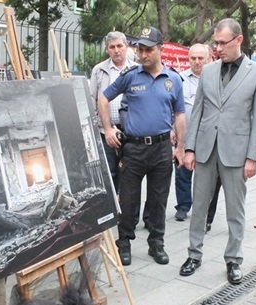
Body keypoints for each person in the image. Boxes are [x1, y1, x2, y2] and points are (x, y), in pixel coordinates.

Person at [179, 18, 256, 285]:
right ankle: (194, 255)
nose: (217, 48)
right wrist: (190, 148)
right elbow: (197, 112)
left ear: (238, 40)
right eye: (215, 43)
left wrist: (252, 157)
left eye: (222, 42)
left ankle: (233, 260)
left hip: (236, 153)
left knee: (235, 210)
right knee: (198, 208)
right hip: (206, 150)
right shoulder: (208, 71)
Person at [98, 26, 185, 266]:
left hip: (160, 149)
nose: (143, 54)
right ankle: (123, 243)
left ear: (161, 49)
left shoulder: (173, 79)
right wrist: (107, 128)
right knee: (128, 200)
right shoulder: (130, 76)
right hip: (133, 149)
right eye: (140, 49)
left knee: (158, 200)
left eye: (149, 49)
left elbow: (179, 115)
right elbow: (103, 98)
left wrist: (180, 147)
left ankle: (156, 244)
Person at [90, 31, 136, 194]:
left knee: (130, 174)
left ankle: (129, 213)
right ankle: (113, 212)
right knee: (110, 172)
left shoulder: (136, 69)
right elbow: (93, 99)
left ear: (126, 47)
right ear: (107, 49)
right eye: (112, 47)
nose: (116, 50)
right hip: (106, 131)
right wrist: (103, 127)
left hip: (131, 131)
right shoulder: (99, 70)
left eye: (119, 46)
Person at [173, 43, 211, 221]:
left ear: (208, 58)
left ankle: (204, 208)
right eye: (193, 58)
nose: (196, 62)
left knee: (206, 176)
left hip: (208, 137)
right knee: (182, 173)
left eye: (200, 58)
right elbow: (171, 107)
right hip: (185, 136)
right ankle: (183, 205)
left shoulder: (215, 78)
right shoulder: (179, 79)